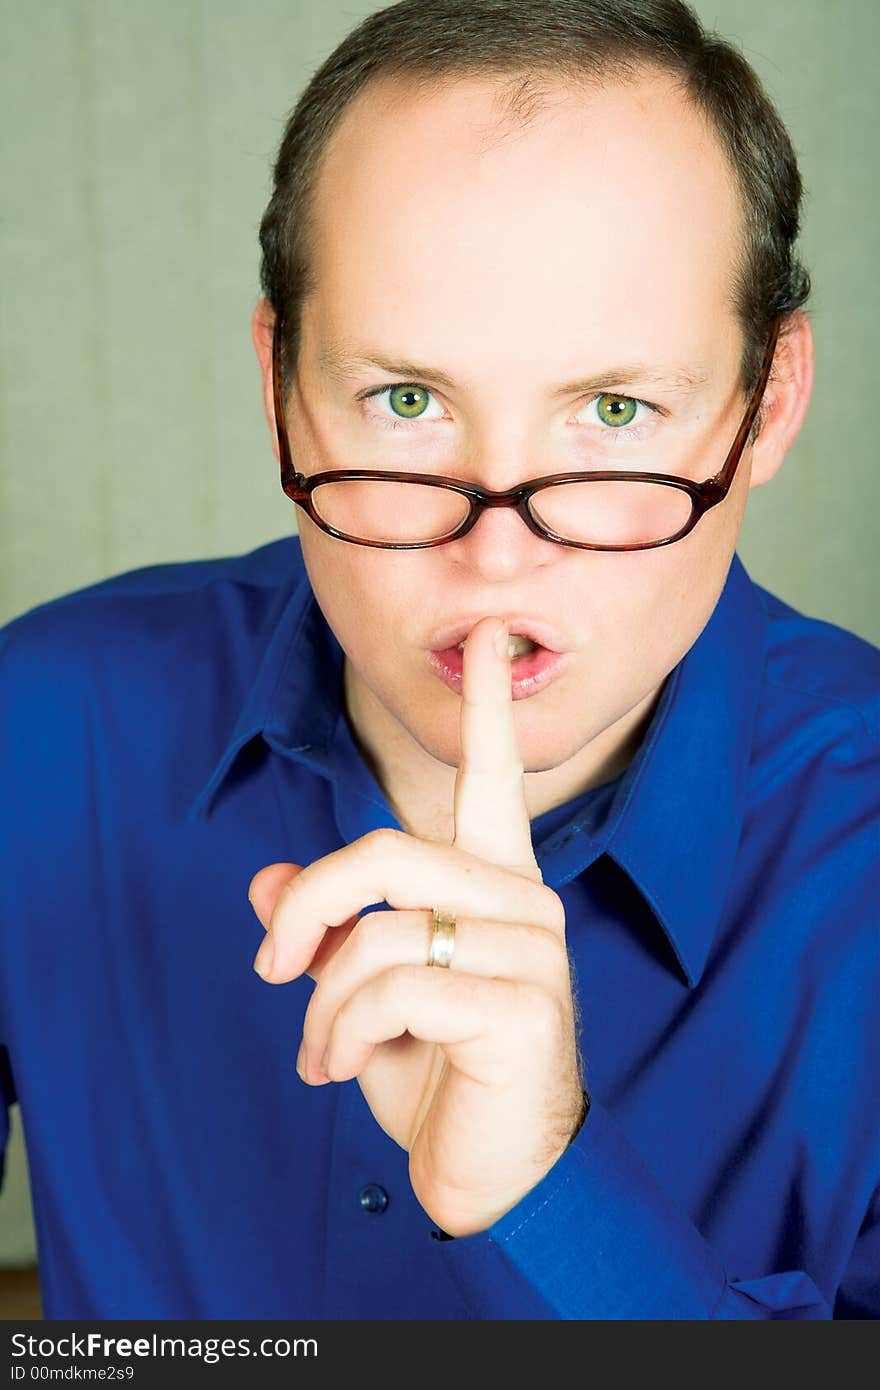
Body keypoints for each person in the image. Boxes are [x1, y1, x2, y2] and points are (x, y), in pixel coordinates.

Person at [0, 0, 877, 1321]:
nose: (500, 554)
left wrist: (553, 1187)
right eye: (408, 403)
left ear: (768, 407)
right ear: (281, 383)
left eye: (615, 411)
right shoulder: (38, 731)